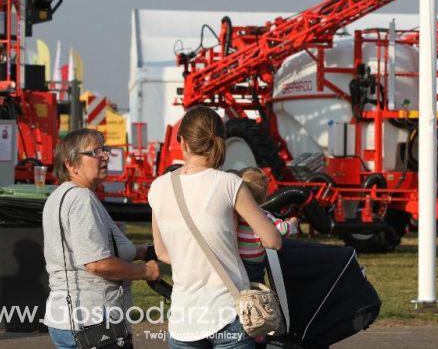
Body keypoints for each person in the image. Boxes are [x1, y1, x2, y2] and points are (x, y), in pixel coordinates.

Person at [148, 106, 282, 349]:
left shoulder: (157, 188)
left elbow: (162, 252)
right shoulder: (230, 184)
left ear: (183, 142)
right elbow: (273, 240)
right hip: (228, 312)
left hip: (184, 317)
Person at [43, 129, 161, 349]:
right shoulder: (81, 200)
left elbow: (89, 247)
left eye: (105, 149)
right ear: (71, 164)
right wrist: (145, 271)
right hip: (94, 320)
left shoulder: (58, 196)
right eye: (96, 151)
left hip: (64, 318)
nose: (106, 156)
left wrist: (139, 251)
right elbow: (97, 263)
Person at [236, 167, 298, 284]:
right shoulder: (264, 216)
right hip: (255, 266)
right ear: (265, 195)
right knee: (258, 293)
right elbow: (282, 230)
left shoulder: (236, 214)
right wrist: (292, 223)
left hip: (237, 262)